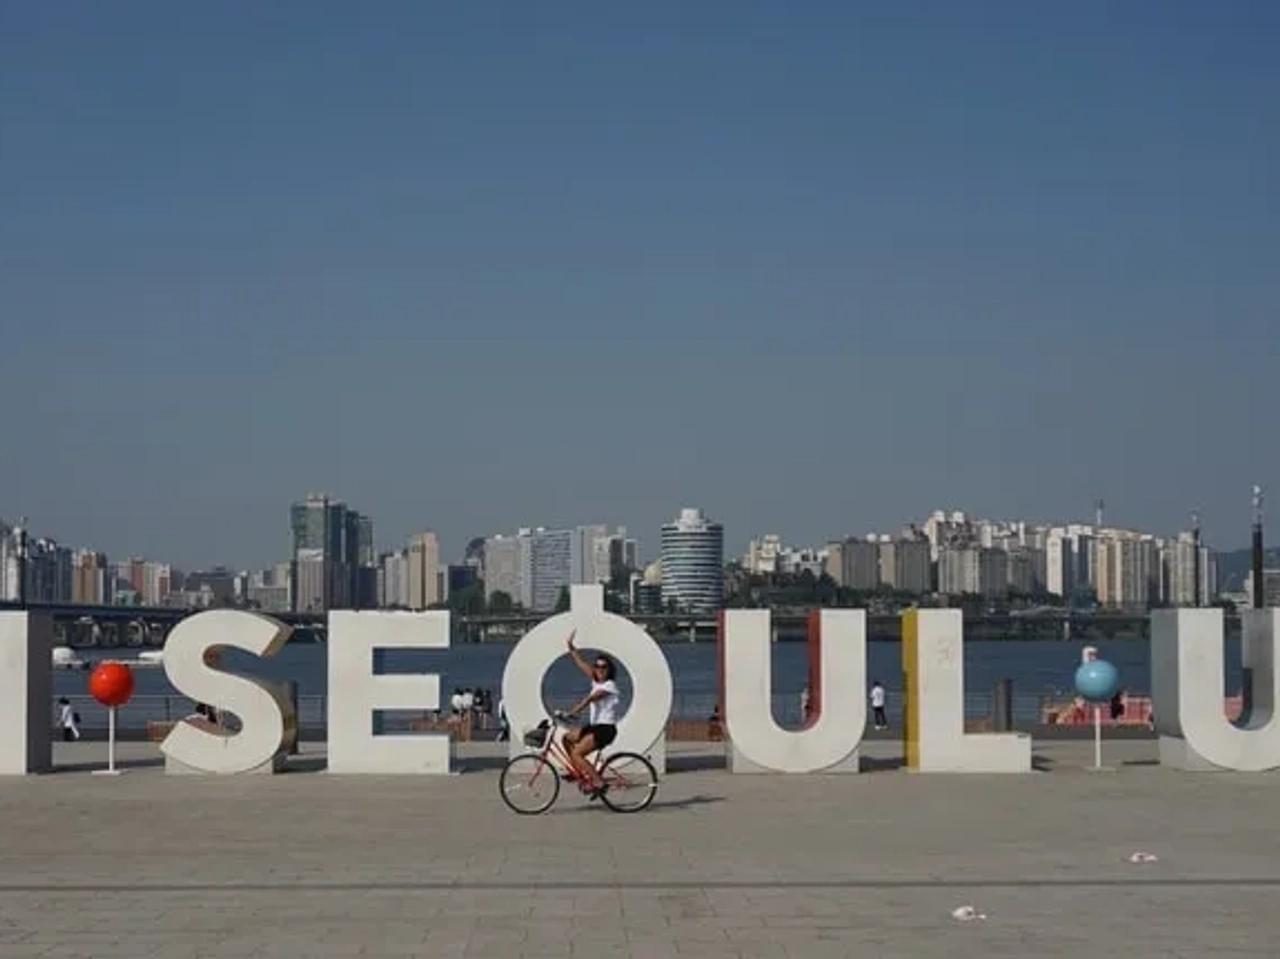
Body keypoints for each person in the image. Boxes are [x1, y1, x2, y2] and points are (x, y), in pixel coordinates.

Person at [561, 631, 620, 797]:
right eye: (597, 666)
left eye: (604, 667)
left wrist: (571, 713)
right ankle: (578, 772)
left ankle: (599, 783)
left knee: (577, 753)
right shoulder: (596, 680)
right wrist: (570, 646)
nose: (600, 669)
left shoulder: (609, 686)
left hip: (605, 729)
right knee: (566, 738)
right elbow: (580, 663)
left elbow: (590, 699)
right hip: (594, 727)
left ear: (609, 670)